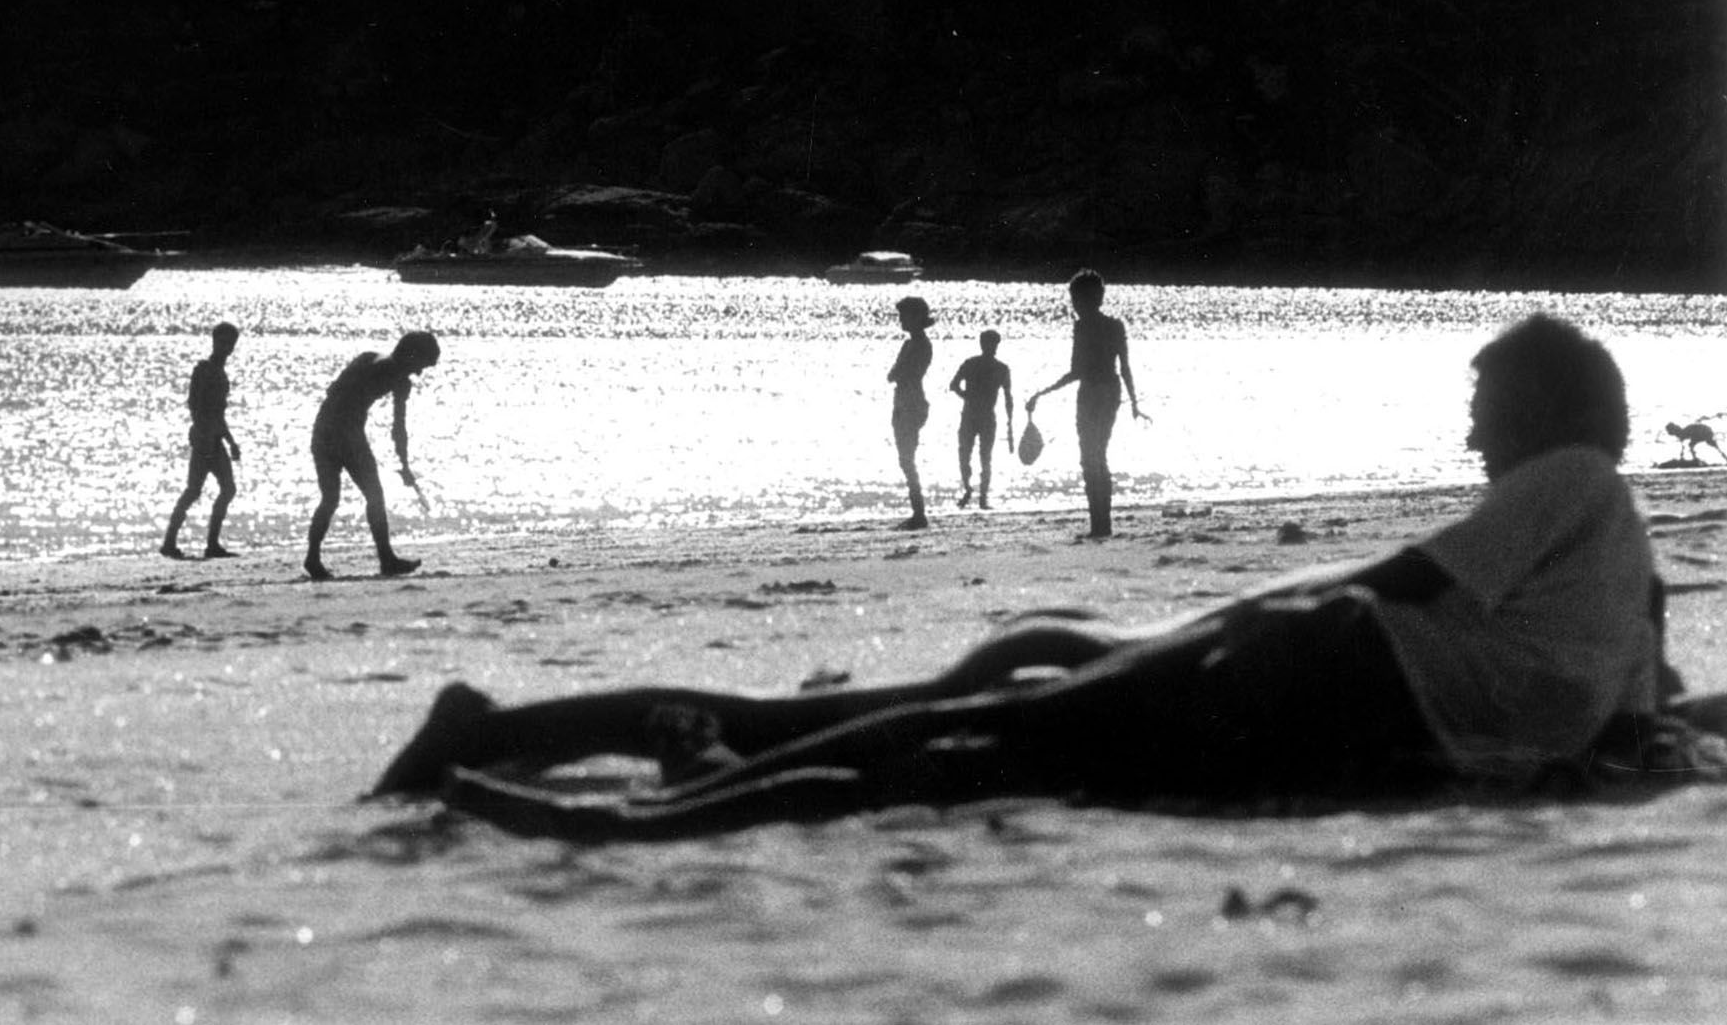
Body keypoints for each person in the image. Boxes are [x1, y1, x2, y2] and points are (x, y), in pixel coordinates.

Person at [371, 314, 1667, 841]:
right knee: (968, 728)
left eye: (1486, 401)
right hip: (1336, 677)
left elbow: (1418, 589)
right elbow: (1626, 710)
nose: (1471, 431)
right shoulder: (1598, 528)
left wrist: (1209, 615)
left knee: (974, 733)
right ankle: (608, 781)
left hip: (1335, 673)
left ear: (1551, 405)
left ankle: (630, 786)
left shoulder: (1573, 478)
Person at [304, 331, 440, 581]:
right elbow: (398, 428)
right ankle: (386, 559)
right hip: (346, 435)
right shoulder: (398, 378)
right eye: (421, 365)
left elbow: (333, 390)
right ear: (411, 355)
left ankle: (313, 557)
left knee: (331, 498)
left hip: (322, 428)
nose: (419, 372)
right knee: (373, 496)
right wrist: (405, 465)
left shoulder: (368, 357)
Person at [1027, 269, 1141, 538]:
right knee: (1099, 455)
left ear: (1084, 300)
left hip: (1091, 393)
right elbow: (1124, 367)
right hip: (1111, 393)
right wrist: (1133, 401)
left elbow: (1076, 371)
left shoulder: (1082, 327)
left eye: (1076, 300)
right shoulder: (1115, 325)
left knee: (1090, 458)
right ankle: (1104, 524)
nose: (1075, 306)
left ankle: (1098, 524)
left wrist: (1042, 393)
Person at [161, 322, 241, 560]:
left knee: (226, 488)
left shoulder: (218, 372)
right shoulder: (205, 370)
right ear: (215, 342)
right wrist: (204, 433)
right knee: (194, 490)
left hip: (214, 438)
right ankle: (170, 542)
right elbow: (196, 406)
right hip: (205, 439)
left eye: (230, 344)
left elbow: (219, 414)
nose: (227, 348)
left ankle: (211, 544)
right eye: (223, 342)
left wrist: (230, 441)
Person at [949, 329, 1014, 509]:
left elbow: (1008, 397)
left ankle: (982, 497)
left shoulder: (1000, 368)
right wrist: (967, 397)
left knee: (983, 457)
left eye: (991, 344)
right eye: (987, 344)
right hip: (971, 416)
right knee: (967, 455)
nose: (989, 347)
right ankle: (970, 491)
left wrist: (1010, 423)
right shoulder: (973, 364)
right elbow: (953, 385)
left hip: (983, 417)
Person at [888, 296, 934, 530]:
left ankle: (919, 513)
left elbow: (899, 373)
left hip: (911, 401)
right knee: (905, 458)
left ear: (916, 318)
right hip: (905, 399)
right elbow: (895, 373)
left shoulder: (920, 344)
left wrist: (898, 371)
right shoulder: (912, 344)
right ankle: (917, 511)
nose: (901, 320)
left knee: (907, 458)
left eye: (904, 316)